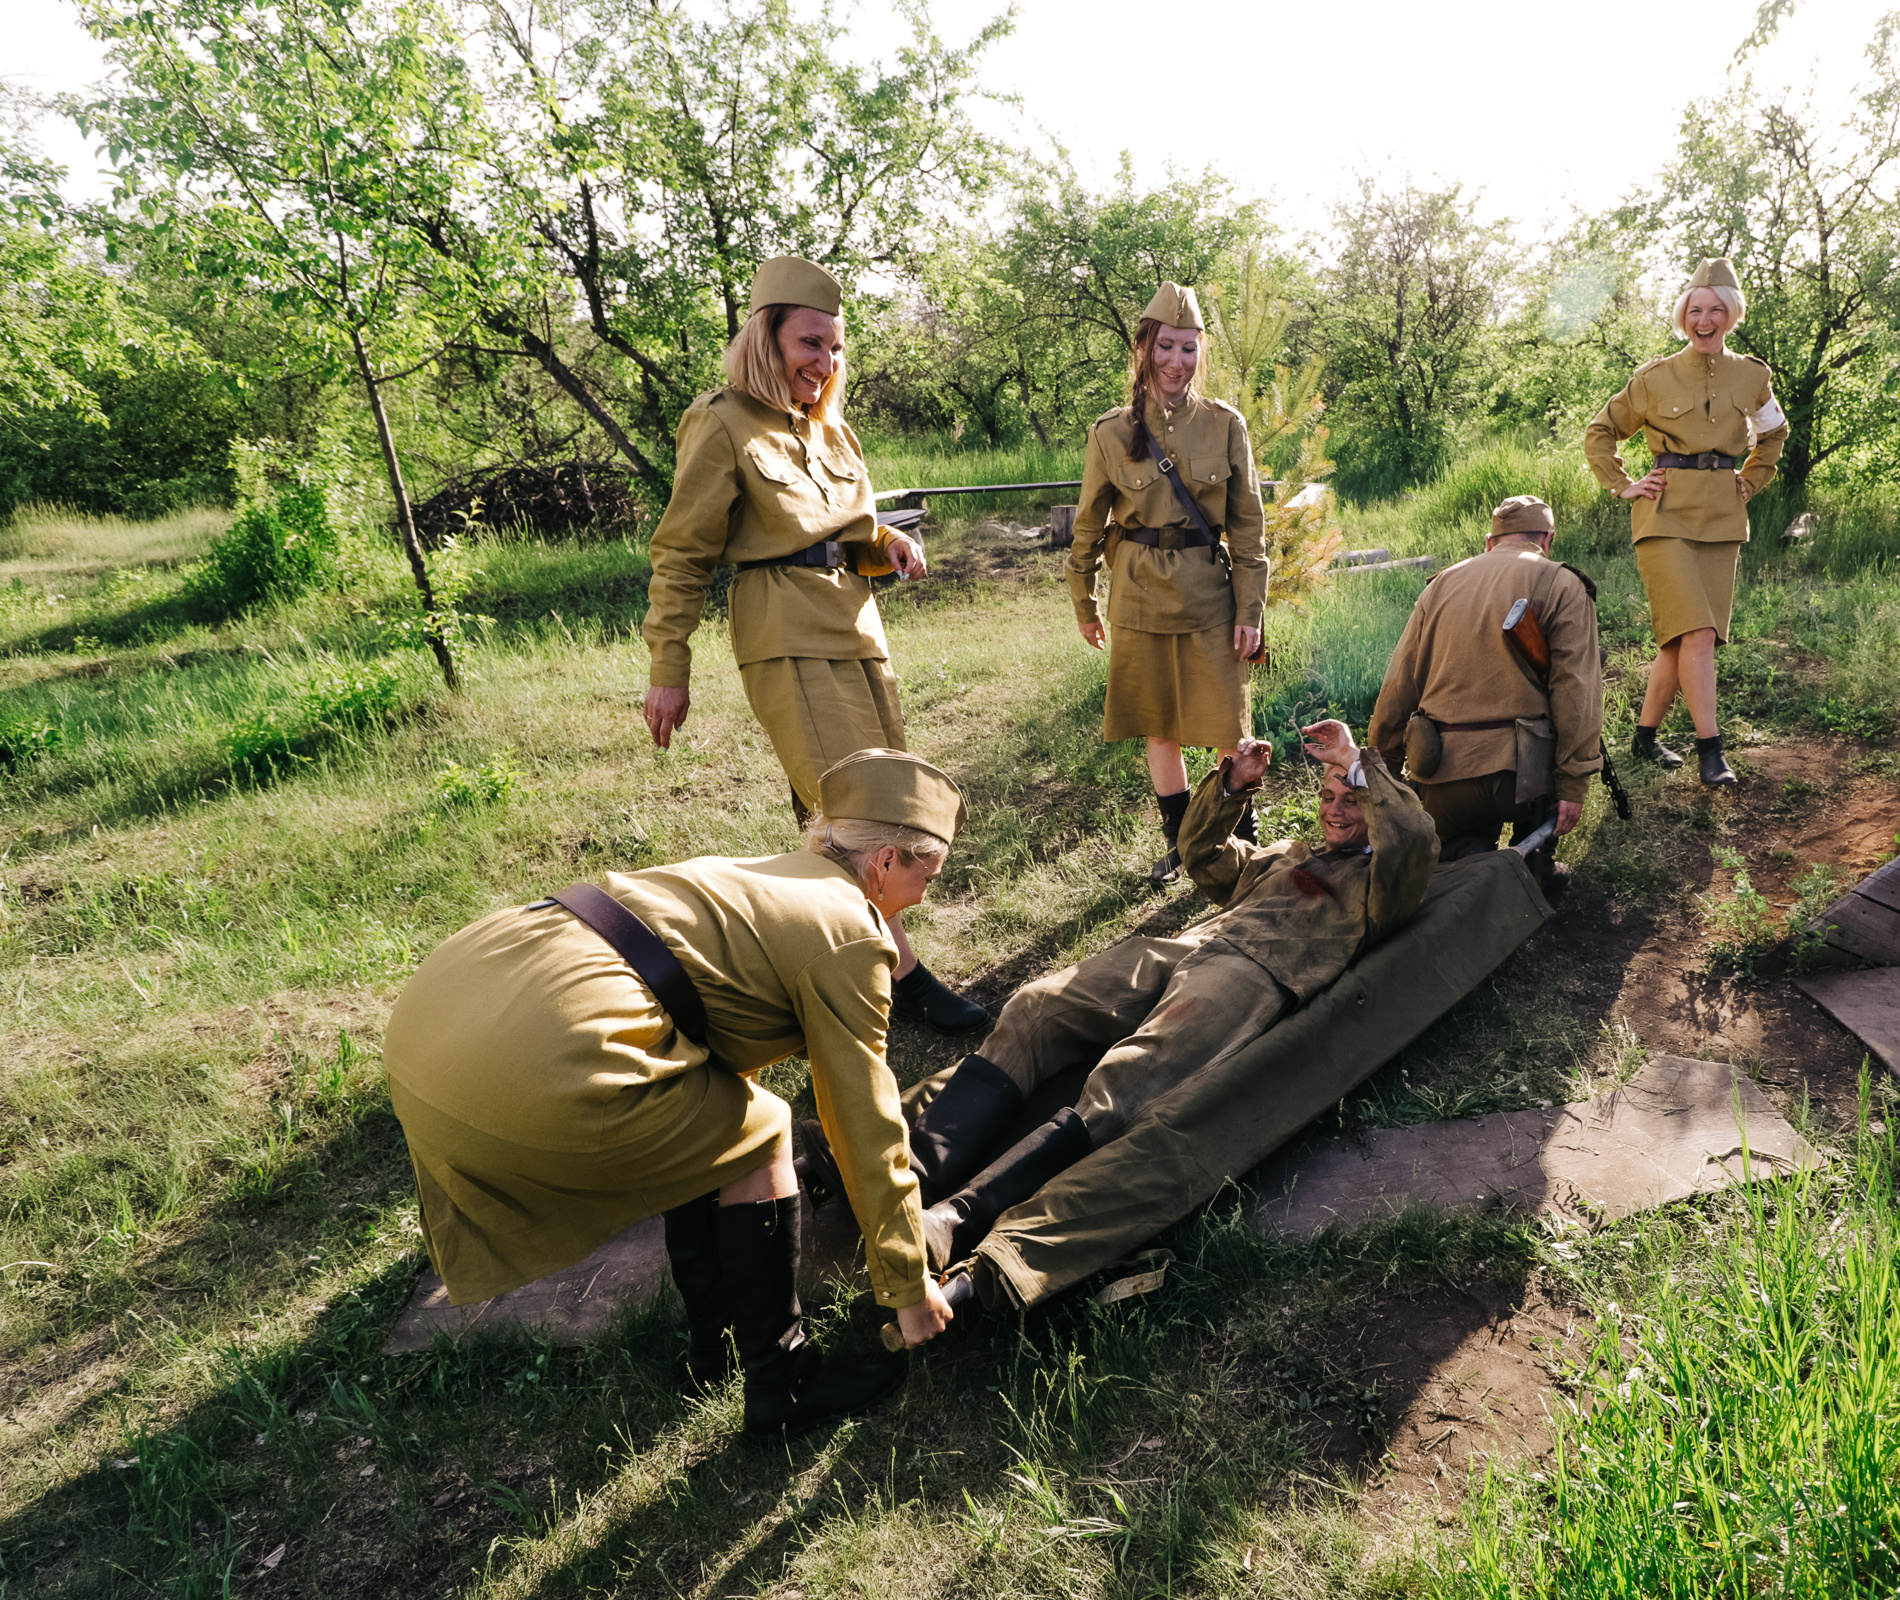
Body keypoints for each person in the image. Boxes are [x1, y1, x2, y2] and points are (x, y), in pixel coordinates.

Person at [382, 749, 969, 1438]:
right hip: (538, 1055)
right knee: (765, 1132)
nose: (925, 896)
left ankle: (713, 1345)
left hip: (446, 1014)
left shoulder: (765, 878)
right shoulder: (849, 934)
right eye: (927, 875)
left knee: (717, 1110)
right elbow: (863, 1119)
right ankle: (784, 1383)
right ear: (886, 861)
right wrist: (907, 1282)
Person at [883, 720, 1438, 1274]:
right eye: (1328, 796)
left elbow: (1414, 839)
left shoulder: (1382, 886)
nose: (1335, 810)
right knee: (1036, 1006)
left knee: (1128, 1078)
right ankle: (920, 1167)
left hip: (1252, 975)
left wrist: (1356, 763)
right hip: (1187, 947)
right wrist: (1232, 785)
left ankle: (956, 1217)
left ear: (1375, 808)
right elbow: (1199, 853)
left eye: (1352, 801)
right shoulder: (1285, 856)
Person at [638, 254, 985, 1032]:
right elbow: (682, 551)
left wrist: (883, 543)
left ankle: (842, 961)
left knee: (874, 802)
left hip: (858, 625)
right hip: (786, 633)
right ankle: (903, 981)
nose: (824, 364)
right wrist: (670, 667)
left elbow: (846, 527)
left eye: (834, 349)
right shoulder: (720, 422)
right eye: (809, 345)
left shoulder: (829, 427)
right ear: (766, 339)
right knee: (860, 816)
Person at [1066, 281, 1269, 881]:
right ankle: (1183, 843)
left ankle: (1240, 838)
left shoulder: (1226, 426)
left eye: (1188, 349)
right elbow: (1088, 524)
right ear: (1145, 348)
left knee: (1226, 724)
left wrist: (1250, 611)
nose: (1176, 362)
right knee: (1160, 726)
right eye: (1165, 348)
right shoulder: (1111, 431)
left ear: (1199, 354)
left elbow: (1250, 528)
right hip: (1138, 595)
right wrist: (1084, 600)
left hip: (1211, 594)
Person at [1583, 258, 1789, 787]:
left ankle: (1645, 737)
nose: (1705, 319)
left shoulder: (1753, 375)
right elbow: (1601, 432)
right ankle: (1710, 749)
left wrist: (1754, 478)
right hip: (1664, 515)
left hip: (1723, 516)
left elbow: (1774, 433)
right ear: (1683, 316)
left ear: (1732, 315)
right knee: (1695, 630)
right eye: (1696, 309)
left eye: (1716, 309)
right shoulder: (1654, 378)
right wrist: (1622, 483)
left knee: (1683, 640)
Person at [1366, 495, 1607, 891]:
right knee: (1529, 866)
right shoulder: (1562, 583)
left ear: (1488, 542)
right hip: (1521, 782)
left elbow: (1398, 687)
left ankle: (1470, 859)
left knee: (1457, 857)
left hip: (1442, 775)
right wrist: (1573, 784)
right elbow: (1576, 693)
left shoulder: (1439, 585)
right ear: (1548, 540)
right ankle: (1532, 870)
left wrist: (1385, 769)